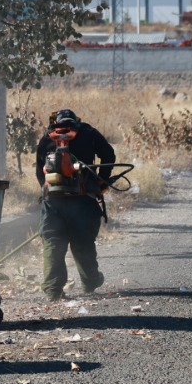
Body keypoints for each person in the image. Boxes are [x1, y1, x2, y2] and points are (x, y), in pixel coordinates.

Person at [33, 108, 116, 301]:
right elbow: (109, 155)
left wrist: (47, 189)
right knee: (83, 243)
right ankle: (90, 282)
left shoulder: (47, 137)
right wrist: (101, 181)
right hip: (83, 199)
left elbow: (39, 170)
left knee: (53, 243)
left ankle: (53, 290)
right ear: (75, 120)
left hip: (53, 202)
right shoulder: (88, 132)